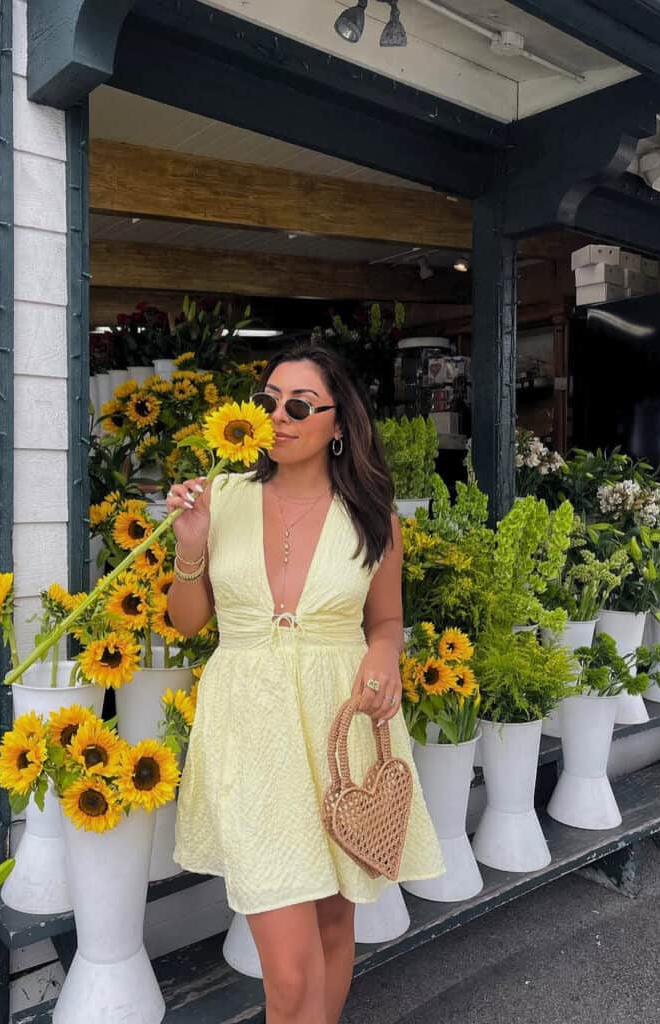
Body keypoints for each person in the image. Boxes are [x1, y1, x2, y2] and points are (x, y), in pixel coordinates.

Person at [167, 345, 443, 1024]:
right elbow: (188, 621)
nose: (278, 416)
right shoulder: (221, 496)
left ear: (338, 424)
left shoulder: (372, 516)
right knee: (288, 974)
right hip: (250, 733)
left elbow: (386, 621)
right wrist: (190, 546)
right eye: (267, 401)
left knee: (332, 923)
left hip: (335, 727)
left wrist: (385, 655)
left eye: (298, 405)